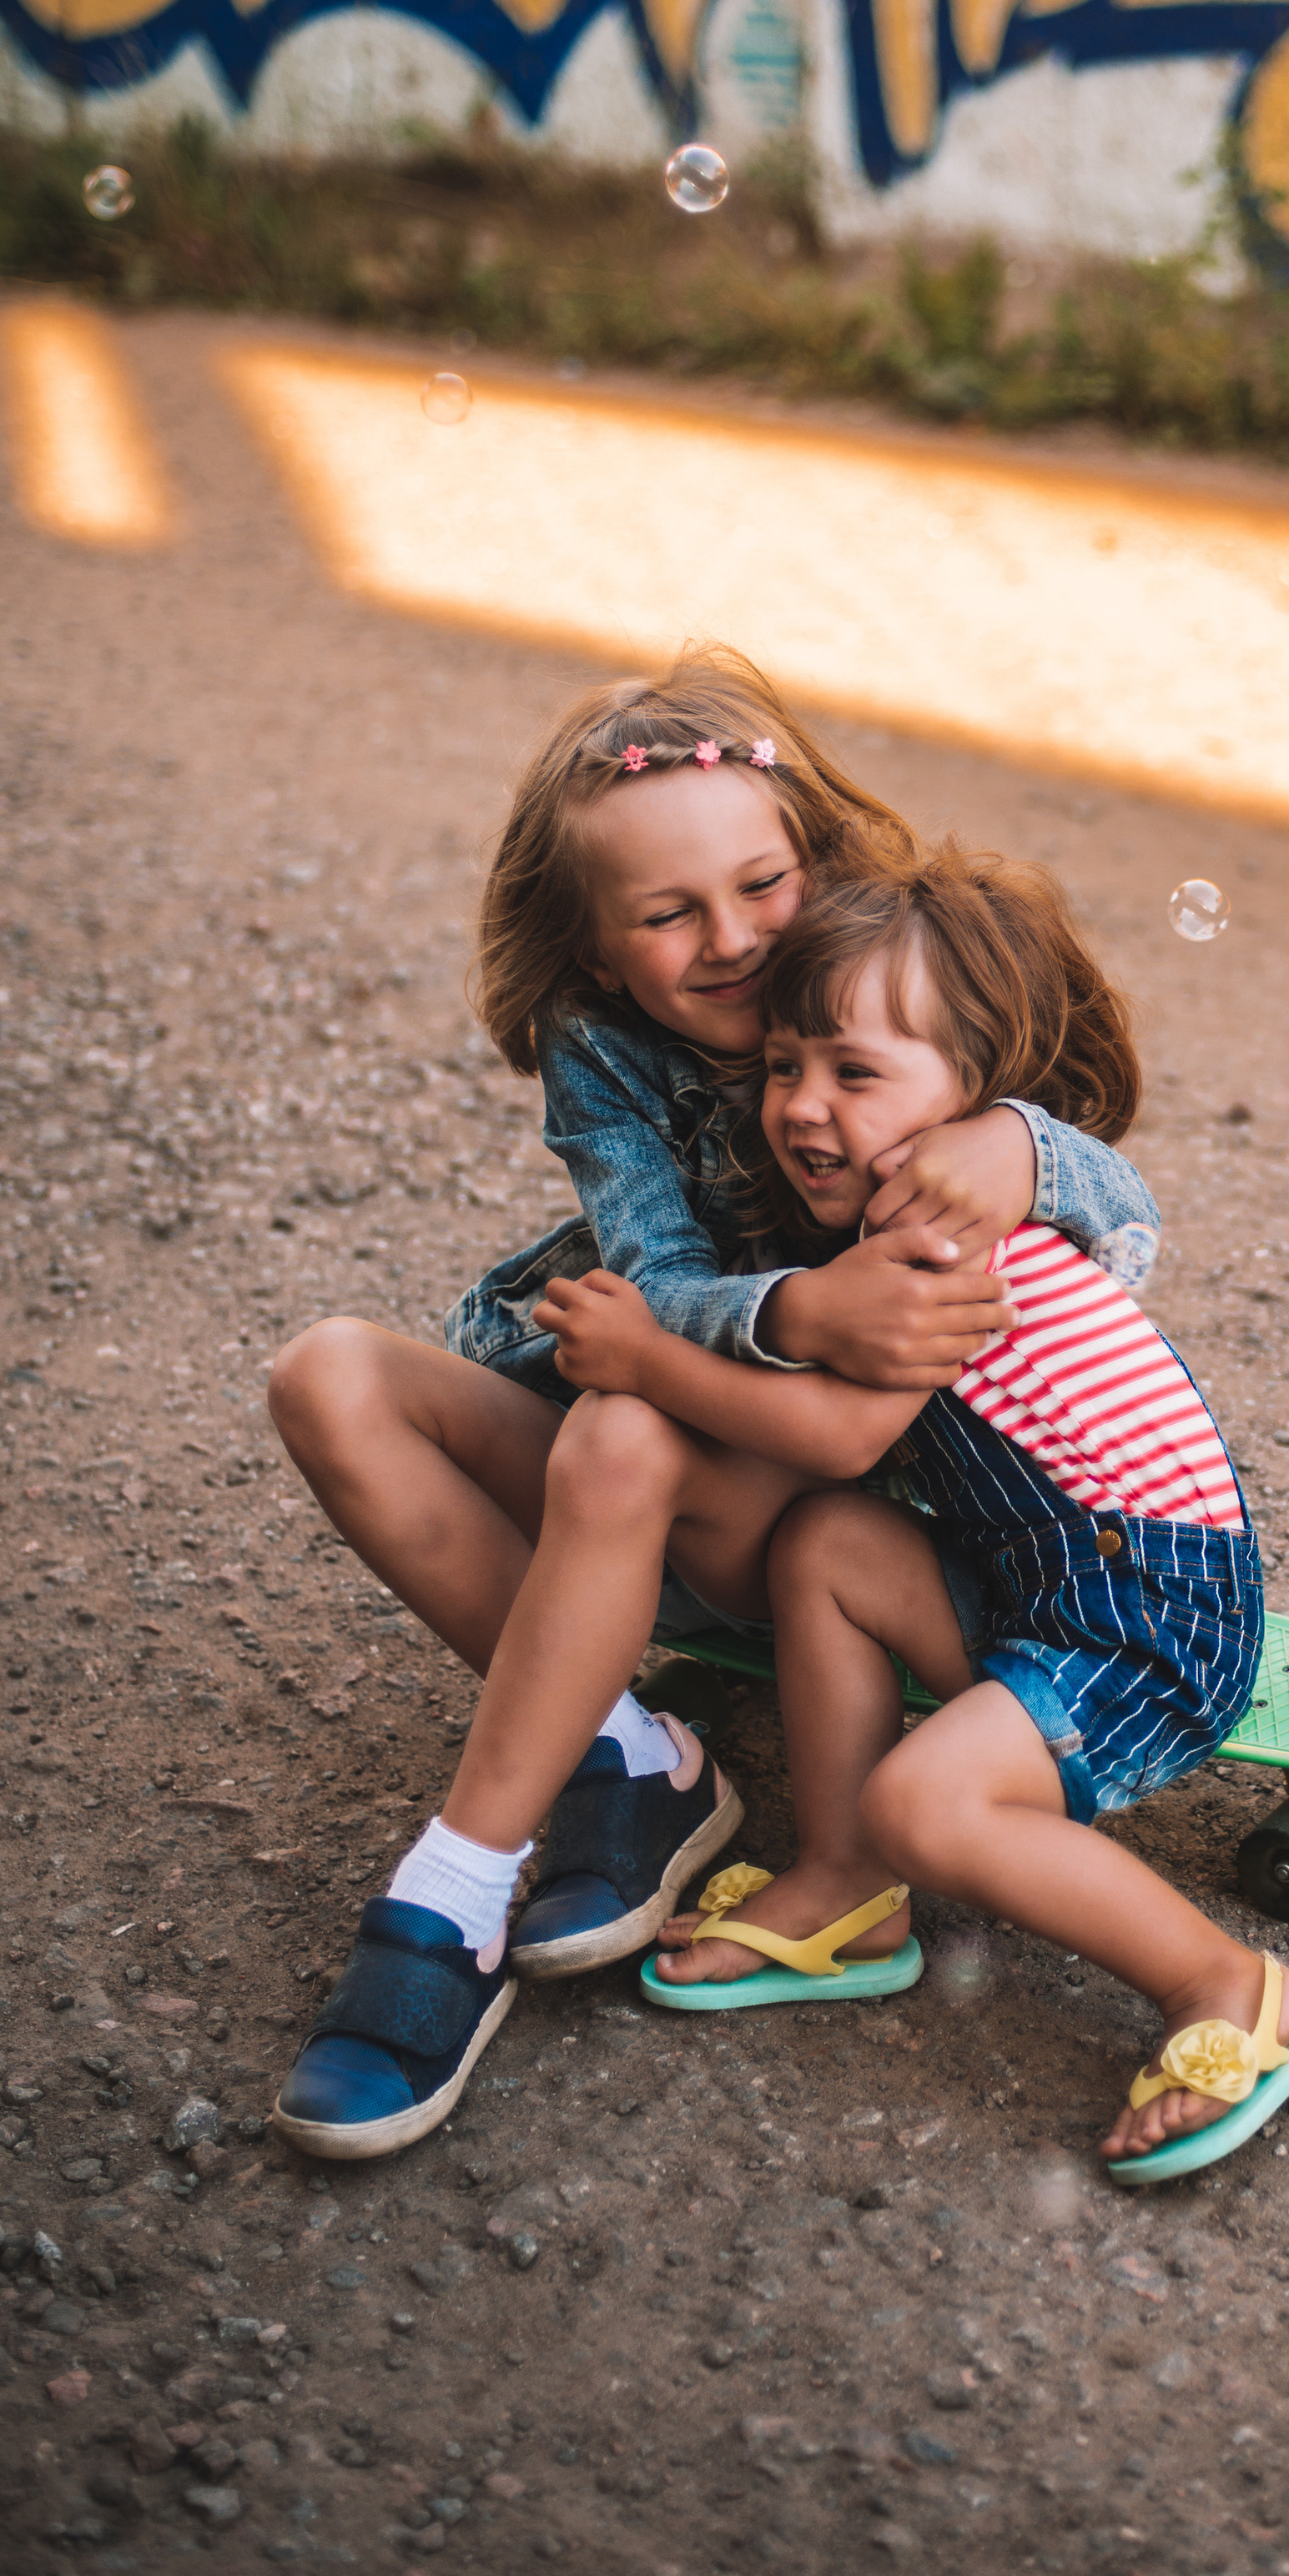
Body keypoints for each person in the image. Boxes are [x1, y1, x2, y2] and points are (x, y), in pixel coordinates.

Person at [266, 652, 1158, 2159]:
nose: (734, 940)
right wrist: (802, 1309)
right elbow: (657, 1281)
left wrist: (1022, 1142)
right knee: (327, 1373)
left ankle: (454, 1889)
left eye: (761, 887)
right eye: (669, 915)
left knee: (625, 1421)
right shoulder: (600, 1049)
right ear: (598, 949)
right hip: (639, 1467)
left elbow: (1120, 1208)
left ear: (815, 861)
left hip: (813, 1519)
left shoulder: (888, 977)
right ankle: (629, 1762)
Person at [533, 845, 1289, 2185]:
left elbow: (838, 1433)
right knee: (827, 1547)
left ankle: (1230, 1987)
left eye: (854, 1074)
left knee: (926, 1802)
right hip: (1043, 1582)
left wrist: (648, 1360)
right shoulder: (893, 1229)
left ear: (970, 1102)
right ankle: (847, 1887)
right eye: (784, 1066)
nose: (801, 1107)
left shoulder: (941, 1236)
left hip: (1148, 1618)